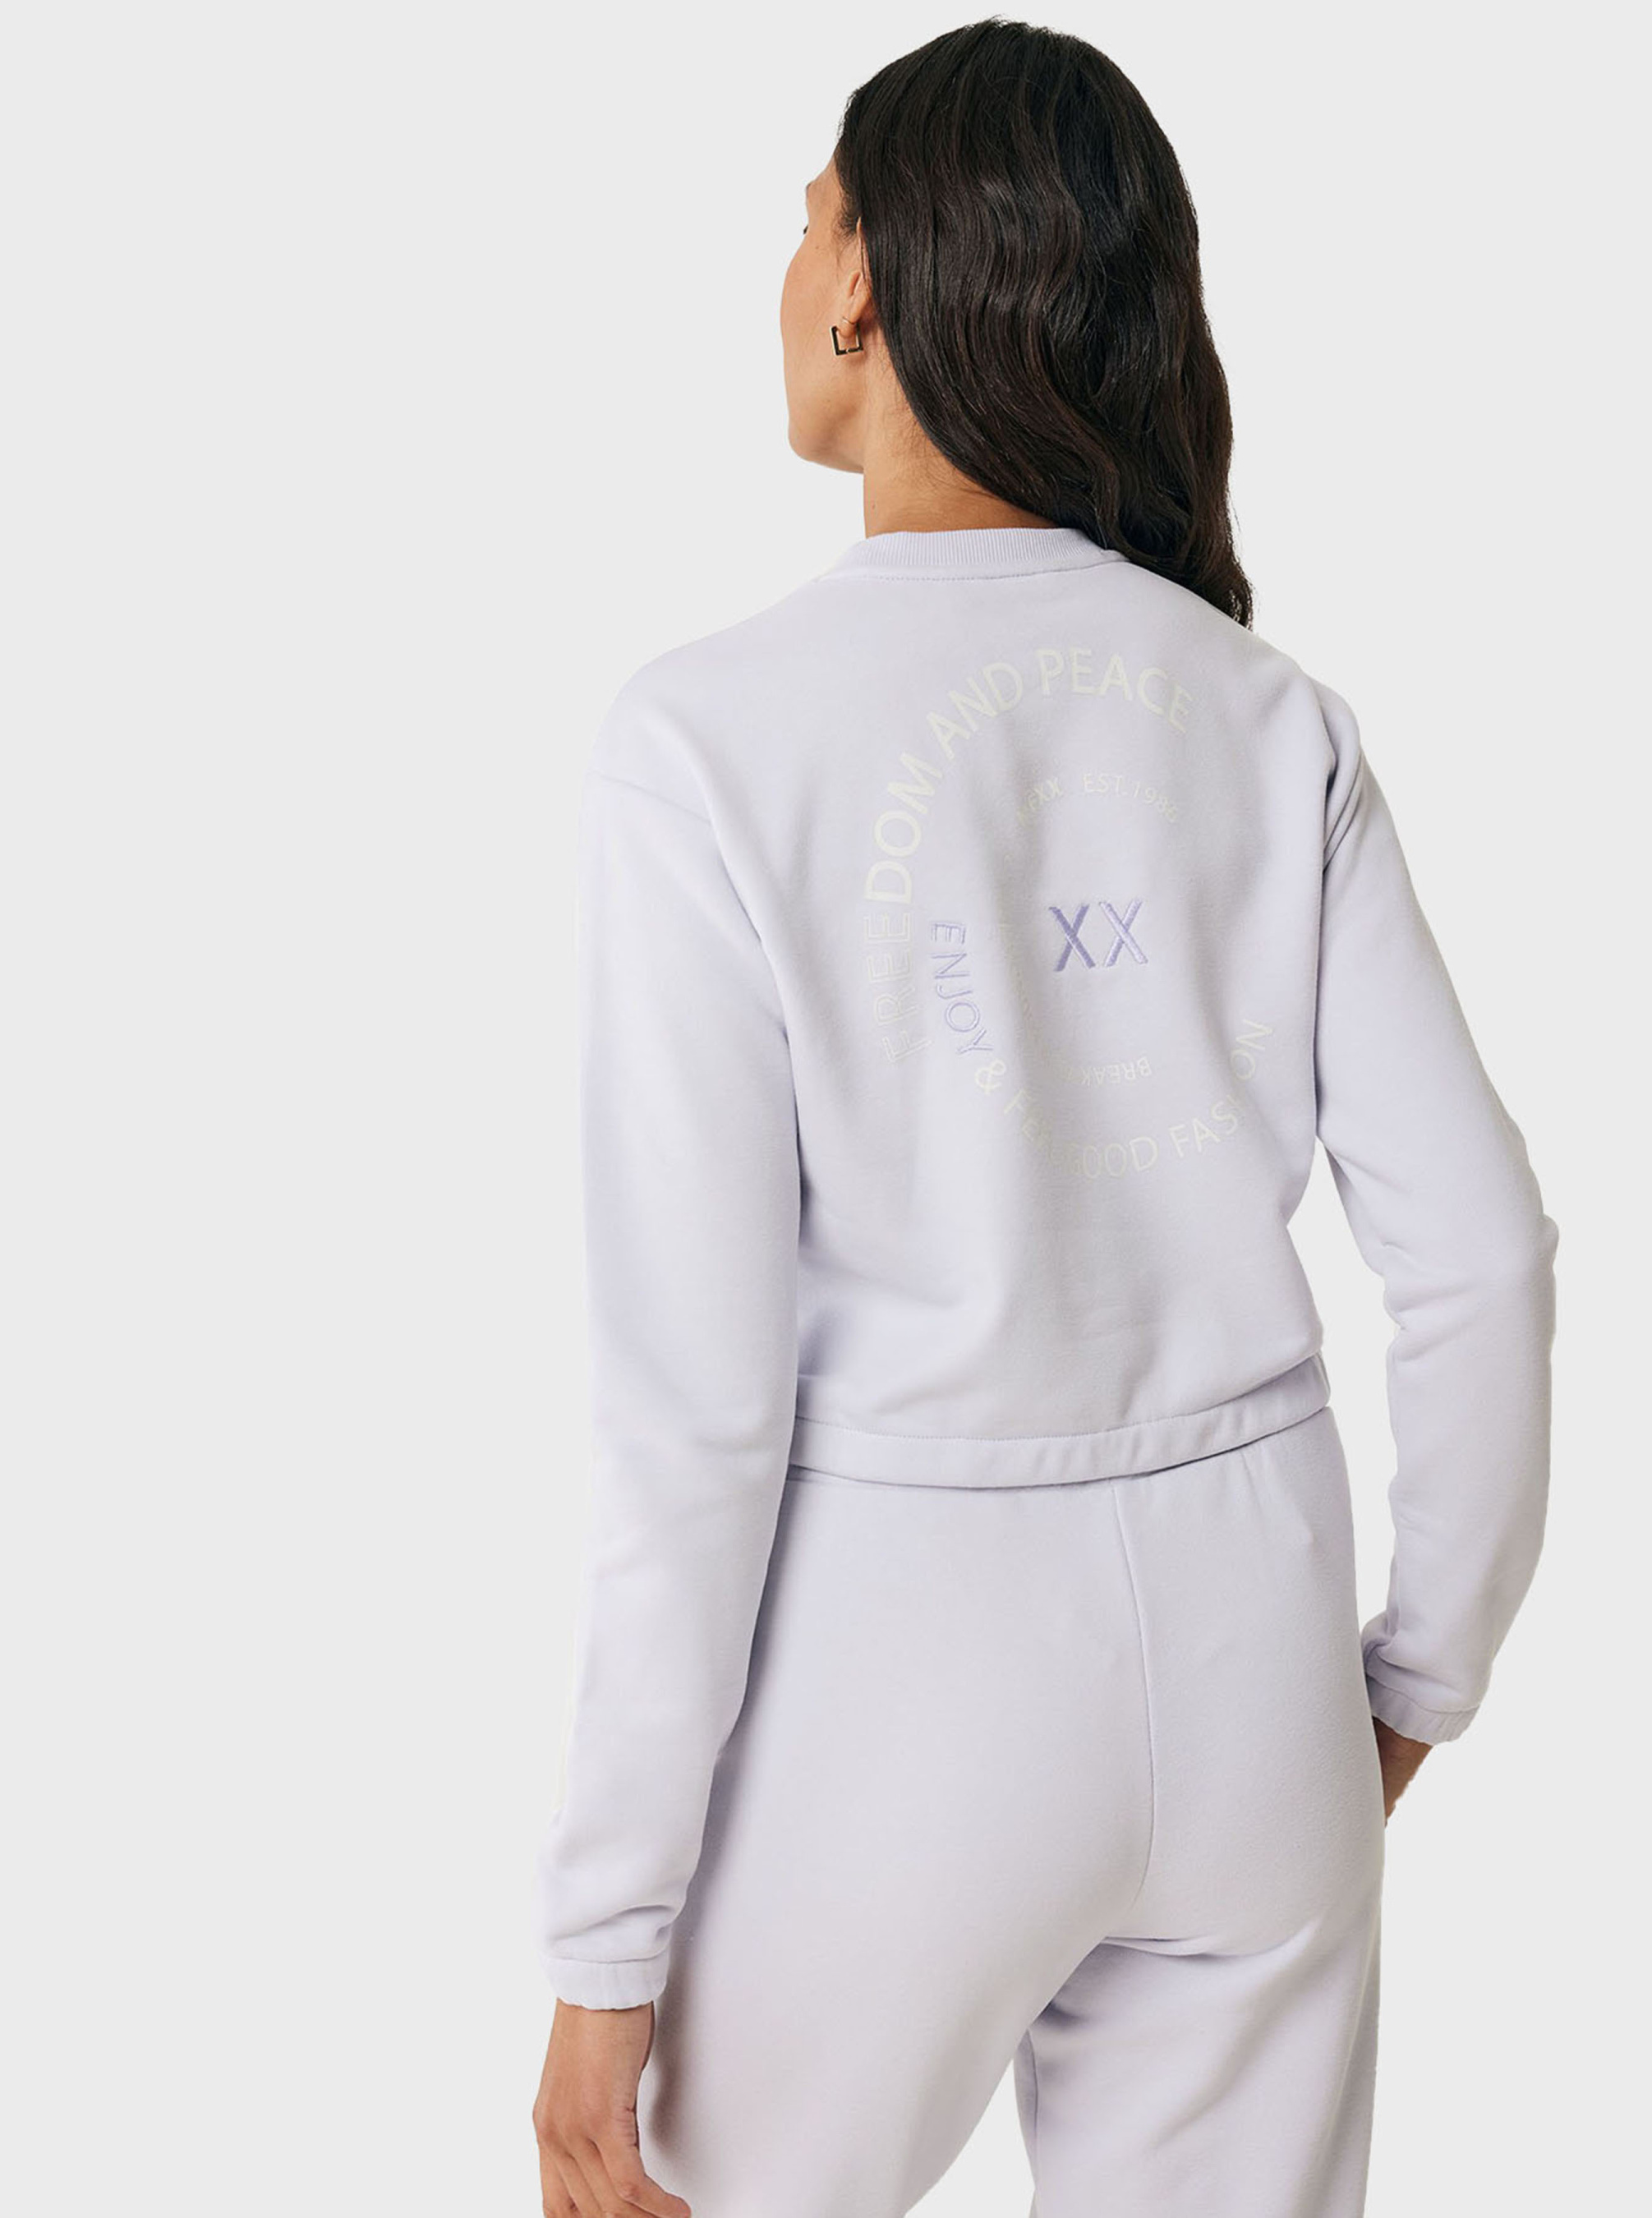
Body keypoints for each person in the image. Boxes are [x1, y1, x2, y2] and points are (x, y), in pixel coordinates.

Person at [529, 21, 1559, 2218]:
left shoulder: (707, 740)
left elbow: (693, 1409)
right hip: (1260, 1653)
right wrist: (1413, 1682)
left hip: (897, 1667)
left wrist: (604, 1943)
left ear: (862, 283)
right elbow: (1480, 1254)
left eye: (806, 216)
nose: (786, 267)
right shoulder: (1267, 715)